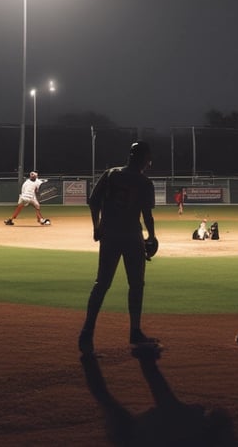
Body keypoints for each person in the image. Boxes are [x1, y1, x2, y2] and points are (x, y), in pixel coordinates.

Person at [79, 141, 159, 355]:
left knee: (101, 283)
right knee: (136, 284)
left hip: (110, 234)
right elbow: (147, 214)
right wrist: (151, 236)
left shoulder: (111, 173)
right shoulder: (144, 181)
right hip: (132, 235)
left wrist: (96, 226)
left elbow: (93, 202)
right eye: (147, 159)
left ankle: (87, 332)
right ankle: (134, 330)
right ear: (143, 159)